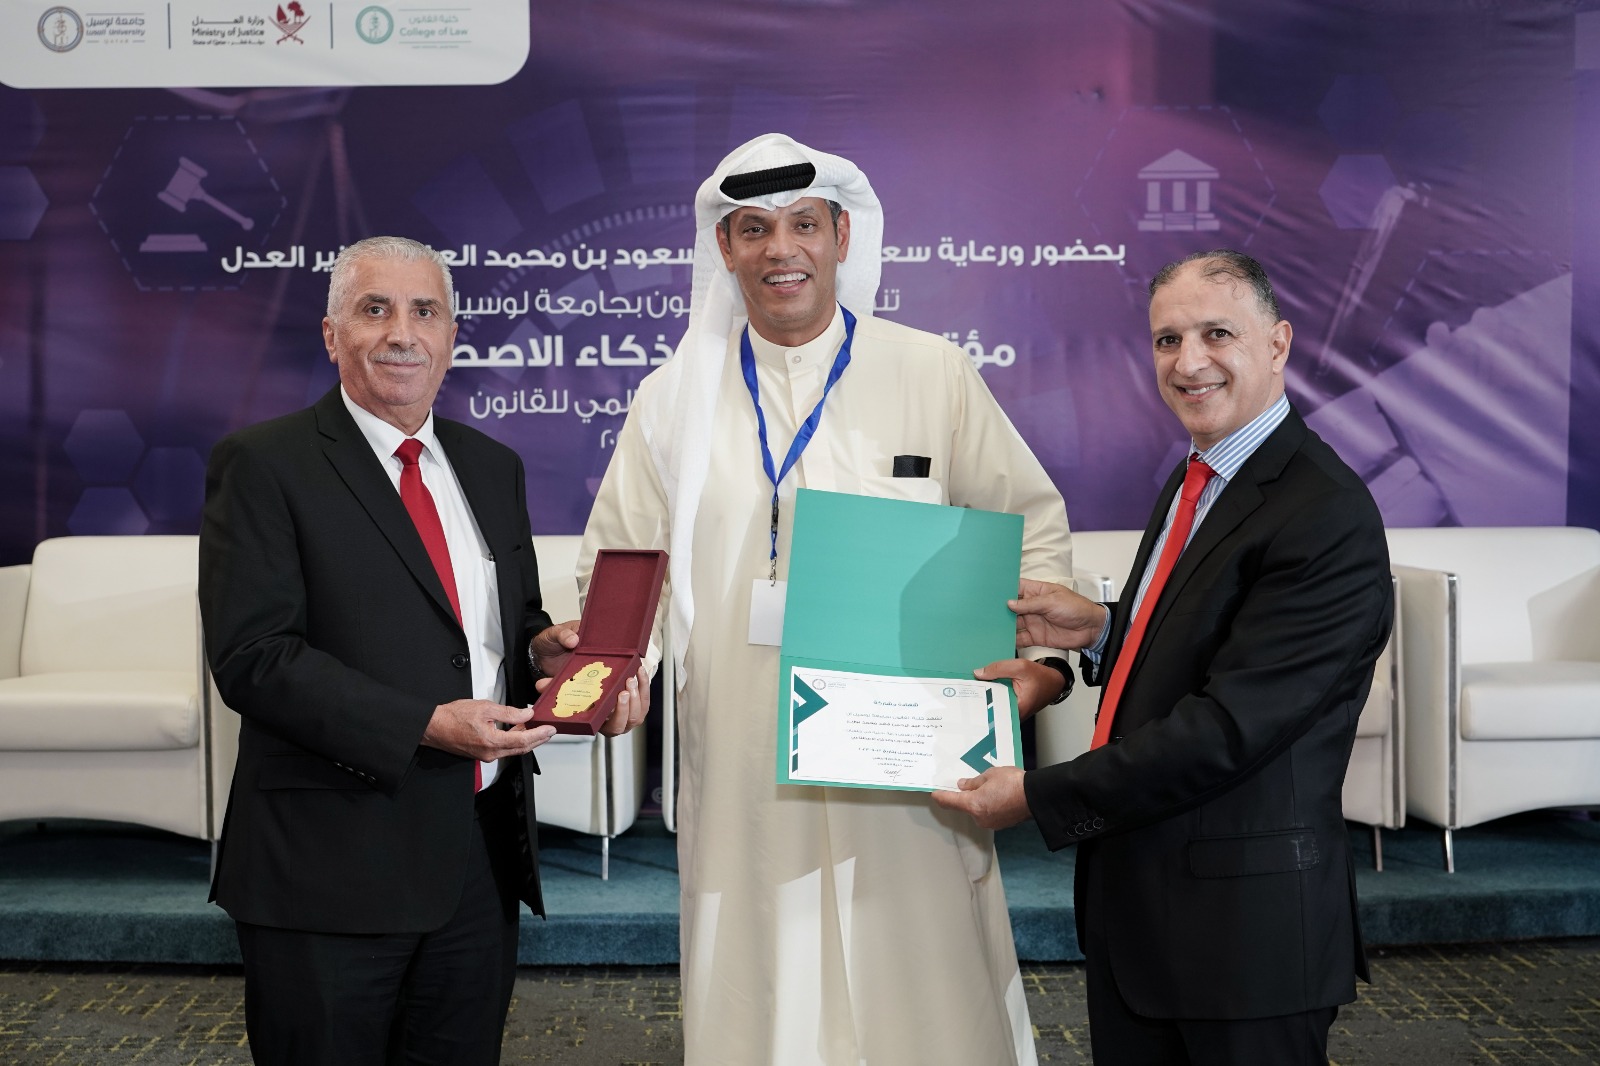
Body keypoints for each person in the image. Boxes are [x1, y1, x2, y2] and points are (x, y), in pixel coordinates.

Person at [579, 134, 1073, 1065]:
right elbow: (624, 565)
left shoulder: (930, 371)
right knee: (759, 974)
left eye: (804, 224)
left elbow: (1028, 529)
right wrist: (617, 672)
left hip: (907, 757)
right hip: (743, 758)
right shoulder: (671, 399)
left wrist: (1042, 669)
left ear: (843, 237)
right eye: (754, 229)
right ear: (724, 249)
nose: (782, 249)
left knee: (922, 977)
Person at [198, 235, 648, 1066]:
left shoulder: (491, 466)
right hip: (328, 867)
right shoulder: (264, 464)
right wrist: (424, 725)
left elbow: (501, 626)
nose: (401, 333)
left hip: (477, 863)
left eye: (424, 312)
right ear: (332, 334)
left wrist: (548, 655)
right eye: (375, 310)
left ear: (451, 336)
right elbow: (255, 658)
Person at [938, 250, 1393, 1065]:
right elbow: (1207, 641)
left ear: (1278, 343)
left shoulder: (1324, 514)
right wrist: (1102, 630)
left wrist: (1038, 796)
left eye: (1218, 334)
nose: (1188, 363)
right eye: (1167, 340)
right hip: (1146, 920)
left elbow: (1229, 727)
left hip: (1244, 943)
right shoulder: (1199, 477)